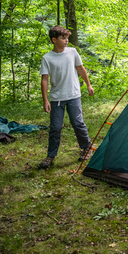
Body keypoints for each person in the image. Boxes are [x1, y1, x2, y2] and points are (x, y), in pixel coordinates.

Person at [38, 25, 94, 170]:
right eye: (63, 38)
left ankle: (86, 148)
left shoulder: (72, 52)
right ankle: (50, 156)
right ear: (54, 40)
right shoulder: (47, 58)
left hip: (74, 95)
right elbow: (44, 79)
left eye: (67, 38)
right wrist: (45, 100)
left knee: (77, 123)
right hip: (56, 98)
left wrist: (88, 85)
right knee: (55, 127)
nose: (66, 41)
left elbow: (80, 68)